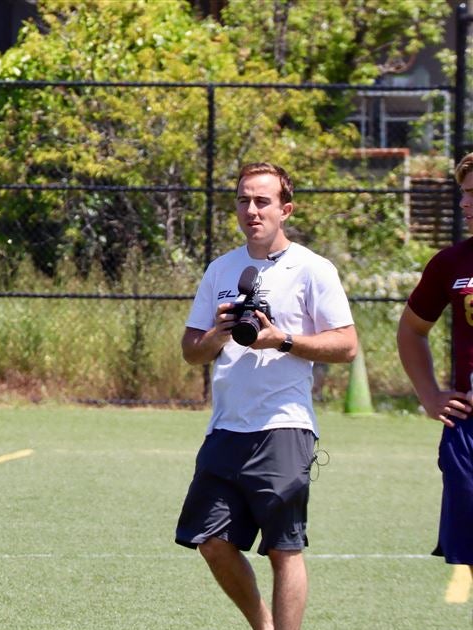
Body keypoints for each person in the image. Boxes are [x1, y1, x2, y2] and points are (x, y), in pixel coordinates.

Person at [176, 162, 359, 630]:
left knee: (283, 548)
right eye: (243, 200)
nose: (251, 210)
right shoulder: (221, 268)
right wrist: (218, 335)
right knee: (210, 540)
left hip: (284, 426)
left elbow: (346, 344)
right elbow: (191, 352)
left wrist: (282, 340)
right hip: (226, 428)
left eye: (262, 201)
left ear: (285, 209)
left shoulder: (313, 269)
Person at [396, 152, 473, 581]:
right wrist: (429, 395)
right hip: (468, 431)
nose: (465, 204)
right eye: (464, 193)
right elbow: (411, 330)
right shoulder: (451, 263)